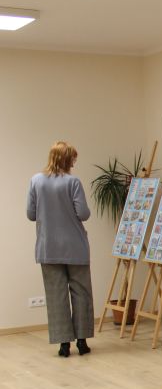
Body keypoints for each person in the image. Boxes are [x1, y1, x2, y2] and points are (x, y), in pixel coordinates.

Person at [26, 141, 94, 357]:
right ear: (66, 159)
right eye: (73, 159)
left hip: (48, 248)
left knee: (56, 296)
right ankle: (82, 341)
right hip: (76, 247)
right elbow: (83, 214)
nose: (74, 163)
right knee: (81, 293)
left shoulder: (36, 181)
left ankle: (64, 345)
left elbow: (31, 214)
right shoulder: (73, 182)